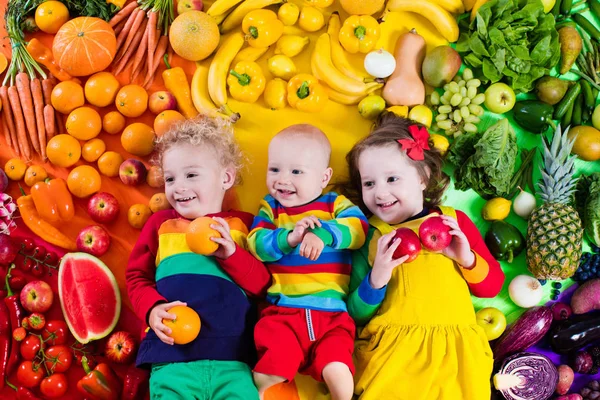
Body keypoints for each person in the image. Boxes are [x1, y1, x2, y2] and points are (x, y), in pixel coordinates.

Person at [344, 112, 505, 400]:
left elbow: (492, 287)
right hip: (395, 359)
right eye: (369, 184)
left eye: (392, 178)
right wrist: (376, 279)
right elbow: (354, 313)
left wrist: (466, 259)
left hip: (456, 357)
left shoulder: (453, 223)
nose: (380, 192)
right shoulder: (371, 235)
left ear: (422, 177)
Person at [126, 117, 270, 400]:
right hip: (171, 359)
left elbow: (263, 284)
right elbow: (136, 277)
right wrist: (152, 309)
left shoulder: (243, 226)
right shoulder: (160, 224)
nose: (178, 187)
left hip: (234, 361)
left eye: (191, 175)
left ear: (226, 178)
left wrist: (231, 254)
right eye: (170, 178)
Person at [246, 124, 369, 400]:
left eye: (296, 172)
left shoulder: (334, 204)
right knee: (271, 367)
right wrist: (289, 238)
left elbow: (359, 229)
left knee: (337, 366)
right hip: (283, 315)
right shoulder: (272, 208)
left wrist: (323, 234)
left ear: (324, 177)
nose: (282, 180)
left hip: (332, 317)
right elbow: (255, 243)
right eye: (274, 169)